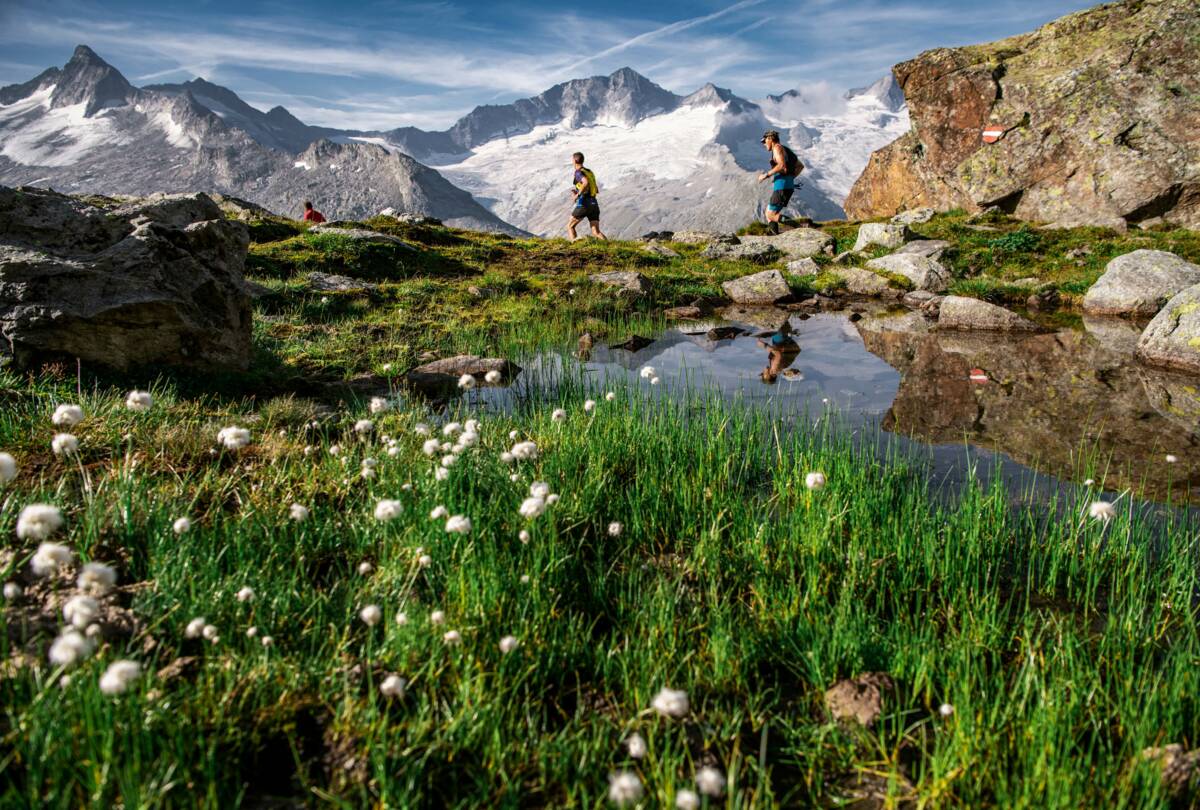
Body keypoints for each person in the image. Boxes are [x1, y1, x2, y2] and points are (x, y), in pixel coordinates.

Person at [756, 130, 803, 235]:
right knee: (769, 211)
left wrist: (766, 175)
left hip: (782, 186)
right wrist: (790, 179)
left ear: (770, 139)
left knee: (771, 215)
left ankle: (799, 228)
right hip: (785, 185)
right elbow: (800, 166)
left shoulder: (777, 147)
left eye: (764, 141)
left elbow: (781, 165)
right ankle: (775, 235)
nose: (764, 144)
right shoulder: (786, 150)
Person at [567, 152, 607, 240]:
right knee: (596, 232)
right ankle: (611, 247)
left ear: (574, 160)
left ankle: (575, 249)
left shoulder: (578, 172)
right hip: (594, 203)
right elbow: (595, 189)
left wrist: (577, 195)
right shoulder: (589, 172)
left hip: (585, 203)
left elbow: (585, 183)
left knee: (570, 226)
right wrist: (578, 190)